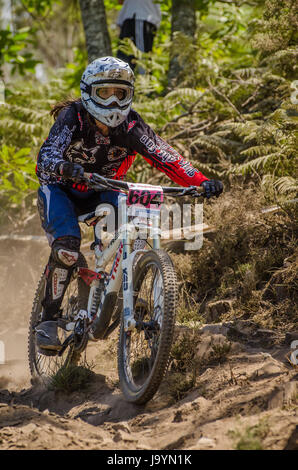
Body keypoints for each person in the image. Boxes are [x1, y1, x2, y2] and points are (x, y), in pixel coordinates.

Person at [35, 56, 223, 353]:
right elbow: (46, 155)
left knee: (134, 233)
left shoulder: (131, 125)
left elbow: (166, 156)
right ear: (88, 93)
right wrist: (63, 167)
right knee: (68, 249)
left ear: (129, 94)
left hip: (106, 190)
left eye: (119, 93)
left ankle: (125, 292)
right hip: (60, 189)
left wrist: (200, 181)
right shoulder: (73, 117)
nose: (112, 102)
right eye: (104, 93)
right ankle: (47, 320)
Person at [116, 0, 161, 70]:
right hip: (134, 18)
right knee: (124, 58)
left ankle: (144, 79)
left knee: (141, 58)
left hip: (140, 17)